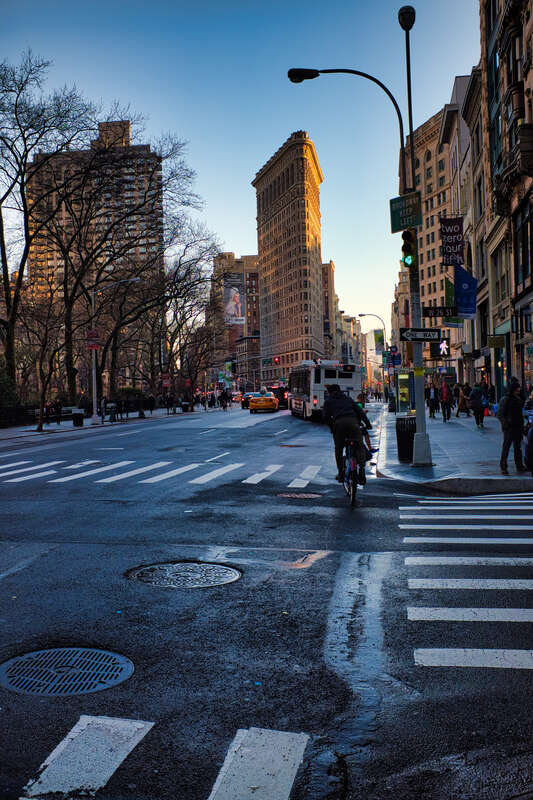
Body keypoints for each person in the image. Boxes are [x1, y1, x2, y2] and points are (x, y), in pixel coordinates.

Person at [323, 384, 371, 485]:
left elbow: (326, 417)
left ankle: (341, 473)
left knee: (339, 449)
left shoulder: (328, 401)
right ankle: (361, 470)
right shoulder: (348, 399)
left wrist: (332, 428)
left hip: (339, 424)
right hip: (353, 423)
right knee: (359, 445)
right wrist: (368, 424)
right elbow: (360, 412)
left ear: (330, 392)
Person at [497, 378, 528, 475]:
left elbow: (522, 404)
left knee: (517, 447)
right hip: (509, 427)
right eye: (517, 388)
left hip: (518, 426)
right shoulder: (506, 399)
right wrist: (505, 424)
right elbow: (500, 413)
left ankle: (519, 466)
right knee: (506, 447)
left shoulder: (518, 399)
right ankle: (503, 466)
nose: (519, 390)